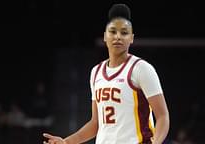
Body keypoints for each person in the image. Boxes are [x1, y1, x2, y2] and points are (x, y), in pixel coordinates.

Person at [43, 3, 169, 144]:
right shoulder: (96, 72)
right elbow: (96, 123)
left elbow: (163, 116)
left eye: (124, 32)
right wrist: (66, 142)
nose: (118, 37)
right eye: (113, 31)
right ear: (105, 36)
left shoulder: (141, 69)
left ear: (132, 38)